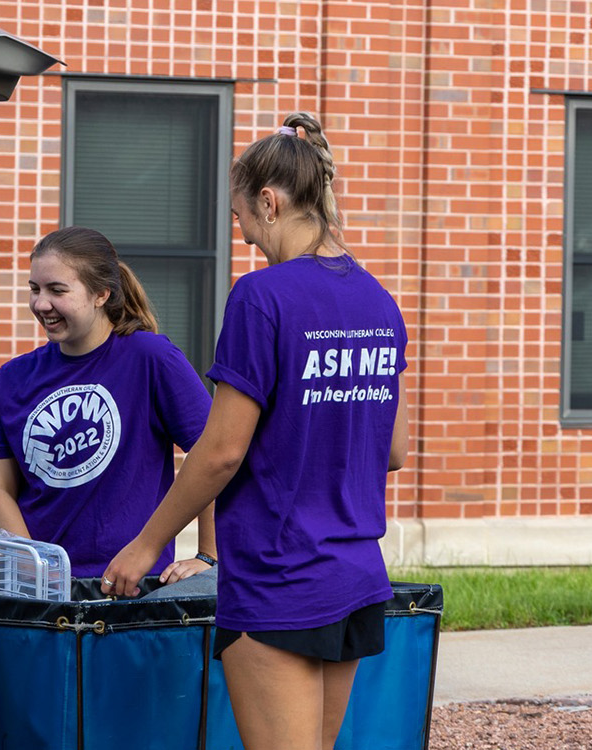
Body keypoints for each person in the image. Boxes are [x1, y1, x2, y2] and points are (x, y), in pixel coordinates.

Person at [101, 113, 409, 750]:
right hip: (355, 574)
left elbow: (221, 452)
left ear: (269, 202)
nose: (242, 236)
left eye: (242, 217)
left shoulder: (261, 296)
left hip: (279, 576)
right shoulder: (380, 300)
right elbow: (396, 450)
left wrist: (144, 545)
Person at [0, 226, 215, 580]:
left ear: (101, 294)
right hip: (44, 595)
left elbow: (213, 455)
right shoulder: (12, 379)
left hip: (133, 589)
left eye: (57, 290)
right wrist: (35, 566)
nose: (41, 304)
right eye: (35, 289)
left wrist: (209, 557)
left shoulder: (150, 358)